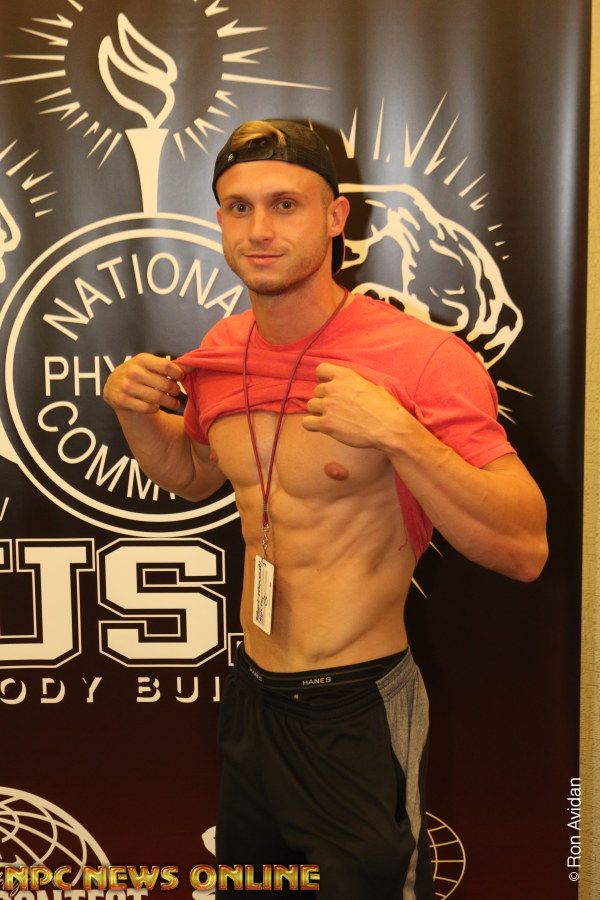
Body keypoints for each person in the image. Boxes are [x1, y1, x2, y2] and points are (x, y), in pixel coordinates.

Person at [103, 119, 548, 899]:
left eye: (286, 204)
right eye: (239, 208)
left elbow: (524, 548)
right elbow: (195, 475)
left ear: (336, 217)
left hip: (356, 708)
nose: (260, 230)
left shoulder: (422, 359)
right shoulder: (224, 349)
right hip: (253, 699)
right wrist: (136, 415)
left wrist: (399, 433)